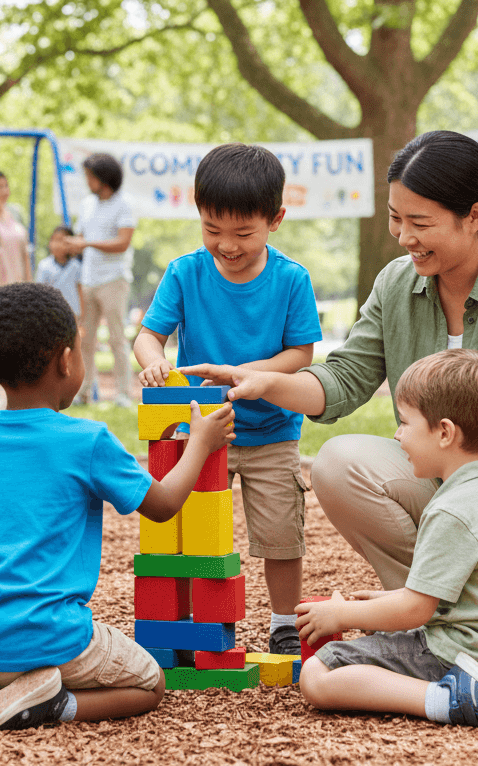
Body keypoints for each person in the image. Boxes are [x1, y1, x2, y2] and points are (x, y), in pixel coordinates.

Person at [207, 131, 478, 670]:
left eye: (420, 224)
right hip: (442, 493)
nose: (402, 237)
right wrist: (263, 381)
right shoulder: (396, 285)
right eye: (396, 219)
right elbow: (345, 379)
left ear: (473, 215)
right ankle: (434, 605)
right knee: (340, 462)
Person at [0, 282, 235, 731]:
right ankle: (49, 704)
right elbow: (163, 505)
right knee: (150, 684)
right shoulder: (88, 441)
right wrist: (200, 443)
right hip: (48, 638)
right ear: (65, 359)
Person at [135, 142, 323, 656]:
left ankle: (284, 621)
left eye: (243, 233)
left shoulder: (290, 279)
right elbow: (149, 335)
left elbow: (301, 353)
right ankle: (194, 622)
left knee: (281, 533)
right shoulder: (184, 272)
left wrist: (247, 373)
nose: (228, 245)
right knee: (192, 532)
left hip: (271, 432)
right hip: (203, 431)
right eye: (212, 230)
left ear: (275, 220)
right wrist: (153, 358)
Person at [296, 349, 478, 727]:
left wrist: (340, 613)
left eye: (405, 423)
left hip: (464, 660)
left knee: (316, 677)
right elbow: (466, 594)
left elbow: (416, 611)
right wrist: (384, 601)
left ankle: (445, 700)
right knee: (377, 628)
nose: (398, 435)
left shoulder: (452, 509)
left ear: (445, 432)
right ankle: (469, 694)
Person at [69, 153, 136, 407]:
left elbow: (123, 242)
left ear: (103, 178)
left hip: (114, 279)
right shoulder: (87, 204)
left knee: (117, 337)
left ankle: (123, 393)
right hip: (88, 279)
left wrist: (87, 243)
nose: (87, 181)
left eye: (89, 176)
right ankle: (83, 391)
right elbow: (80, 236)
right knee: (85, 339)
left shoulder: (124, 204)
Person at [0, 169, 32, 286]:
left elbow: (25, 256)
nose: (5, 191)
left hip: (19, 287)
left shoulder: (15, 213)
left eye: (6, 186)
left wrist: (29, 286)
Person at [35, 224, 84, 320]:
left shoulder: (76, 266)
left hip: (73, 313)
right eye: (54, 240)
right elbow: (39, 292)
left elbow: (80, 290)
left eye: (61, 240)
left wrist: (82, 314)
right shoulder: (44, 266)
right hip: (51, 313)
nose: (56, 245)